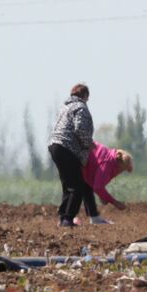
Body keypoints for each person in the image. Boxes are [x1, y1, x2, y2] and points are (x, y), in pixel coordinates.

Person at [47, 83, 95, 228]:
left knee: (68, 185)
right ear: (85, 96)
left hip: (55, 146)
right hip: (68, 148)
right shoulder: (81, 107)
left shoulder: (65, 107)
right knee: (77, 186)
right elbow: (80, 129)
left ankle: (63, 218)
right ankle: (67, 219)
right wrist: (89, 144)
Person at [81, 143, 133, 224]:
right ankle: (67, 219)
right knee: (75, 191)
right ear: (120, 165)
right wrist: (115, 202)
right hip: (77, 161)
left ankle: (94, 218)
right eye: (123, 170)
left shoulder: (110, 157)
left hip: (82, 165)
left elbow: (94, 181)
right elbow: (98, 187)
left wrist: (102, 195)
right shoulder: (108, 165)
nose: (121, 173)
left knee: (86, 188)